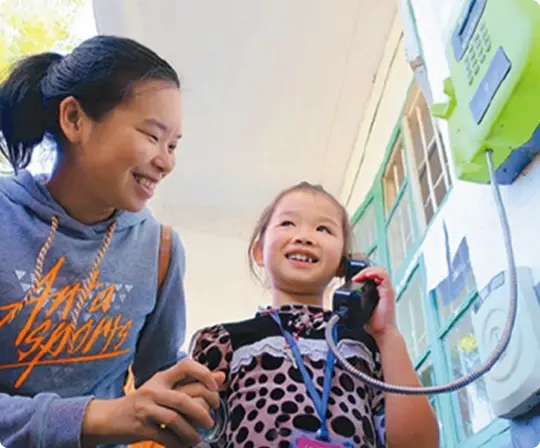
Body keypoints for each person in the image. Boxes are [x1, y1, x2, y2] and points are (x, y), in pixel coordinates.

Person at [0, 35, 224, 448]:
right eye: (152, 136)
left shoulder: (160, 249)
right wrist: (95, 417)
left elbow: (159, 370)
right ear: (74, 119)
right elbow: (120, 414)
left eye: (173, 145)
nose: (166, 161)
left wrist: (193, 395)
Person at [189, 182, 440, 447]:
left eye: (323, 229)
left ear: (345, 264)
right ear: (260, 251)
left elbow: (419, 445)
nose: (304, 237)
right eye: (287, 223)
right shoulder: (224, 341)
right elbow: (190, 434)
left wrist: (387, 334)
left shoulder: (365, 348)